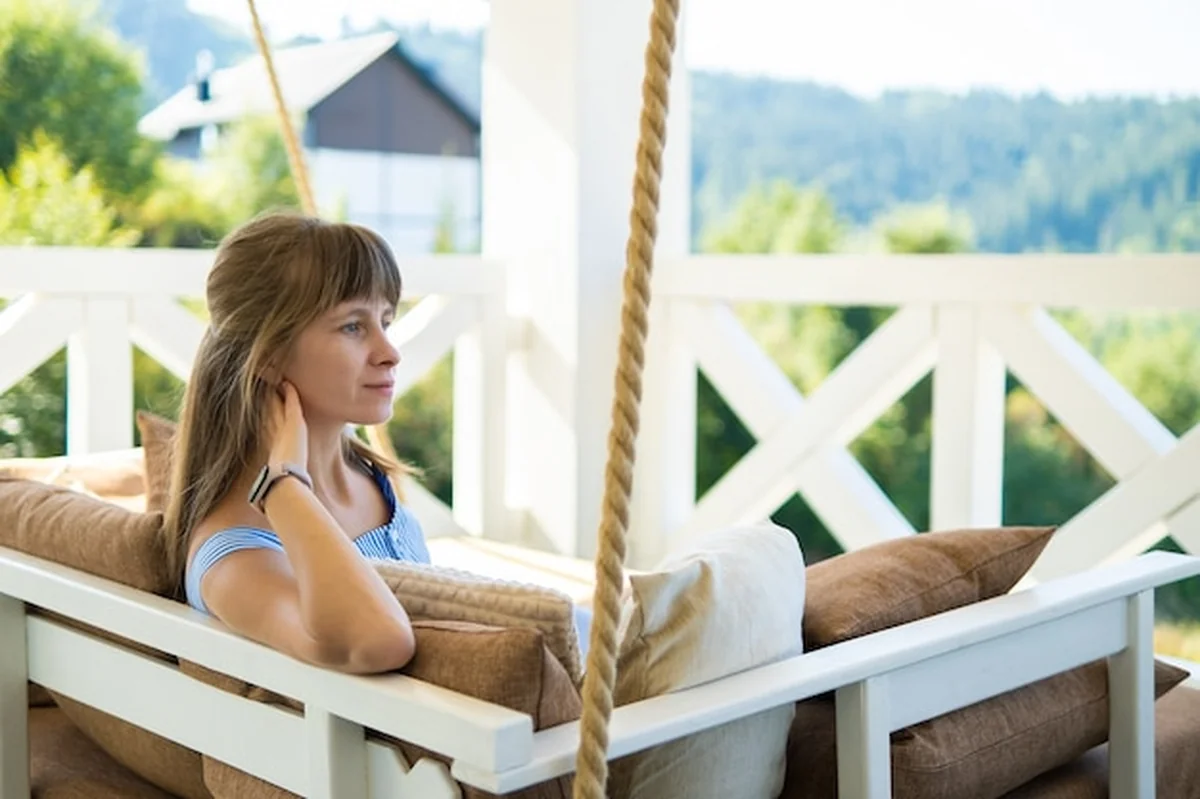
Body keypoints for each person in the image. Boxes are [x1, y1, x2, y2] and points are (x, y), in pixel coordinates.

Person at [163, 212, 432, 675]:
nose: (390, 352)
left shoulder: (371, 481)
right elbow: (376, 639)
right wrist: (283, 486)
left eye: (385, 321)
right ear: (267, 356)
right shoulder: (234, 554)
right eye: (353, 326)